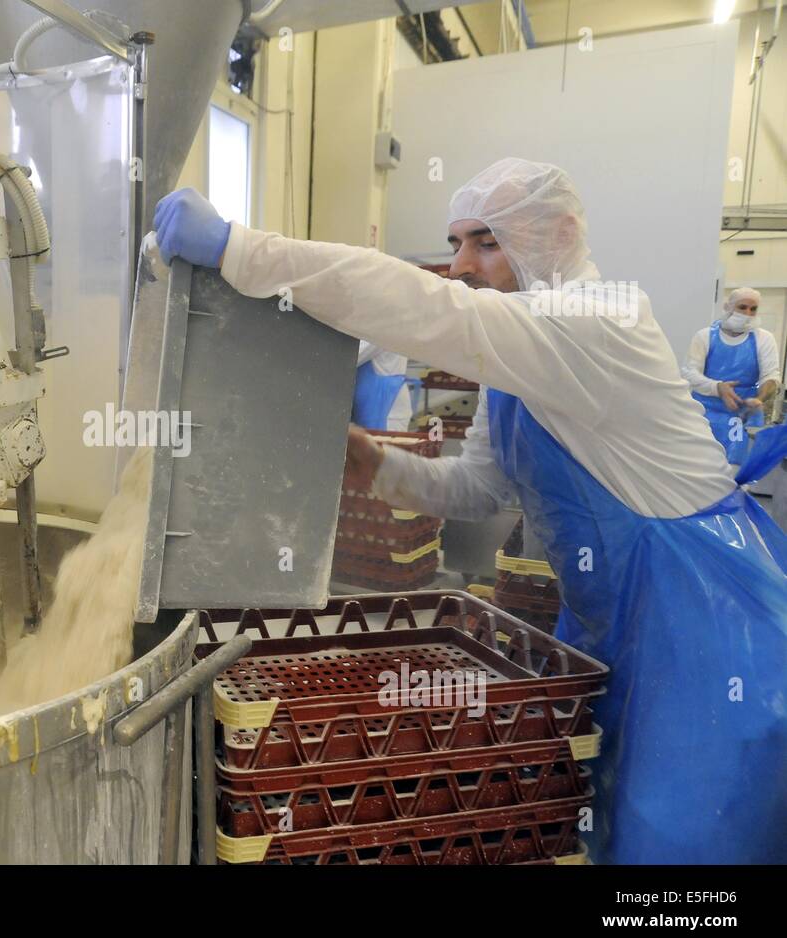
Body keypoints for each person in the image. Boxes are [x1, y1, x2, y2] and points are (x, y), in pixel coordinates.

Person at [153, 158, 787, 865]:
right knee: (594, 823)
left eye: (484, 241)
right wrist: (375, 462)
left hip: (706, 621)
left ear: (562, 233)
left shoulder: (599, 318)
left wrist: (240, 250)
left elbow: (429, 309)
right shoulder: (521, 358)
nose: (461, 265)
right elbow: (479, 490)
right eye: (455, 244)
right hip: (613, 625)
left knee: (676, 848)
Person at [681, 287, 780, 466]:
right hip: (704, 414)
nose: (748, 313)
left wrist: (760, 399)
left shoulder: (764, 339)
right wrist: (717, 387)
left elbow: (771, 376)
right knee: (699, 467)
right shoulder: (704, 337)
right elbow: (689, 373)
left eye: (753, 309)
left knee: (735, 473)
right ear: (728, 307)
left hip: (743, 417)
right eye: (742, 307)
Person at [354, 341, 413, 431]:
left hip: (387, 410)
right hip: (369, 408)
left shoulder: (380, 333)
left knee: (380, 444)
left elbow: (351, 355)